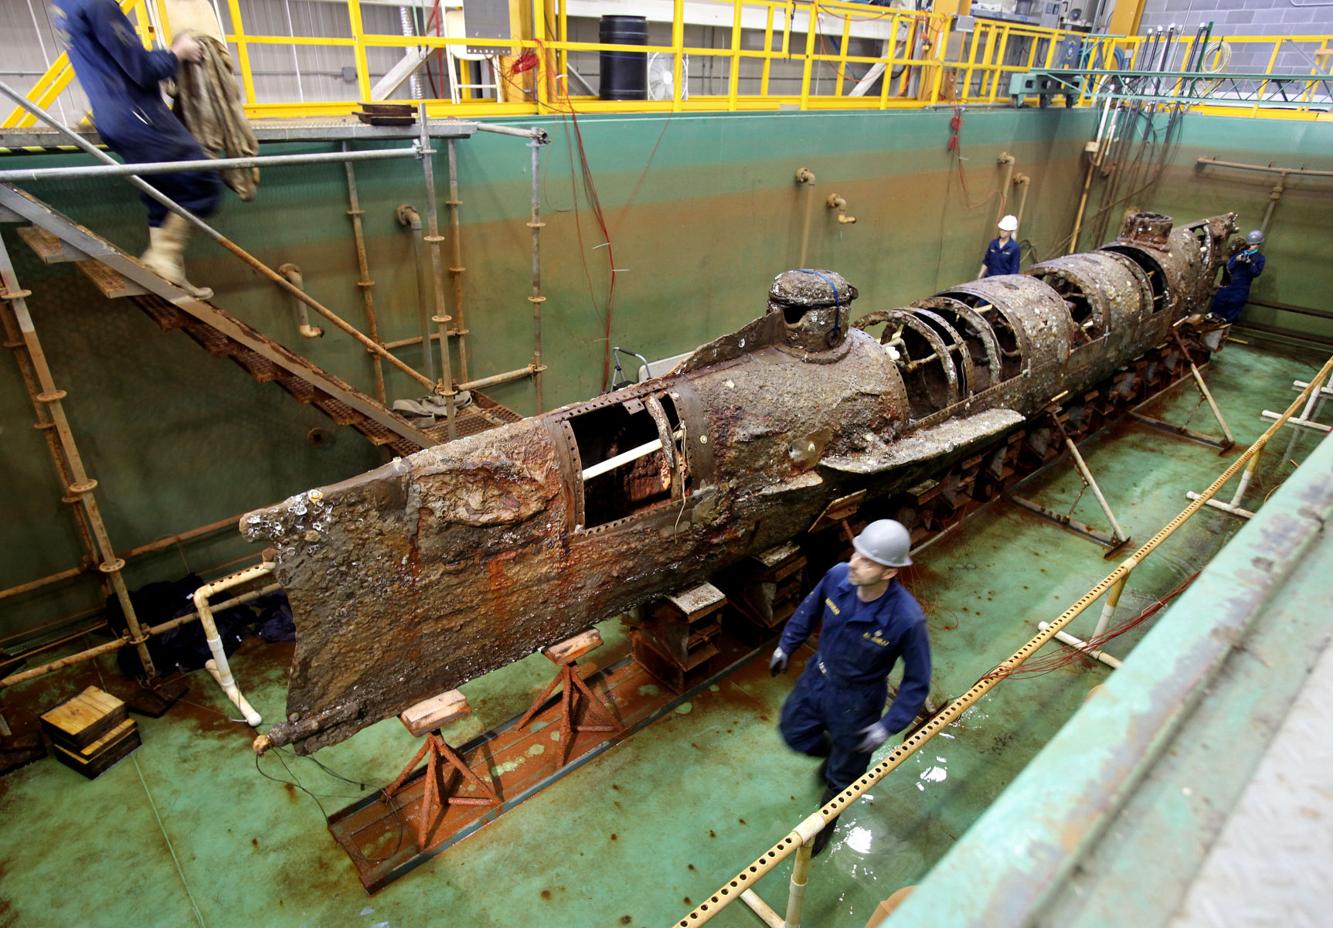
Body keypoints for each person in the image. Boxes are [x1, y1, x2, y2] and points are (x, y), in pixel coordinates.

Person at [769, 519, 932, 856]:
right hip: (818, 677)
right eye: (857, 553)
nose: (855, 563)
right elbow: (808, 610)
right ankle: (833, 755)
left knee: (844, 776)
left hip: (858, 701)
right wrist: (786, 646)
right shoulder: (838, 577)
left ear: (889, 572)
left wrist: (887, 726)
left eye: (868, 561)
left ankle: (825, 824)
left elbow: (917, 683)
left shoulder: (906, 619)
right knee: (793, 731)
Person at [53, 0, 221, 297]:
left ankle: (170, 274)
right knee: (203, 179)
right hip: (138, 114)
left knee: (159, 190)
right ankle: (164, 256)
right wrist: (176, 53)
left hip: (114, 116)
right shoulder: (98, 5)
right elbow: (142, 71)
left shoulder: (66, 5)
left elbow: (116, 58)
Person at [1210, 230, 1266, 323]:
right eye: (1249, 244)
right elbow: (1228, 267)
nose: (1250, 247)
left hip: (1240, 290)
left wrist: (1250, 264)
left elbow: (1256, 273)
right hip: (1227, 287)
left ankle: (1223, 331)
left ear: (1258, 244)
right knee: (1215, 311)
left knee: (1229, 317)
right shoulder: (1238, 253)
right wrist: (1236, 260)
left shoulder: (1260, 258)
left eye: (1253, 245)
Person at [979, 214, 1021, 278]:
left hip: (1002, 282)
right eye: (1001, 229)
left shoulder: (1014, 248)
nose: (1002, 232)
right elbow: (986, 262)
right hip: (988, 279)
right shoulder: (993, 243)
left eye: (1005, 230)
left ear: (1011, 231)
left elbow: (1014, 270)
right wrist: (979, 277)